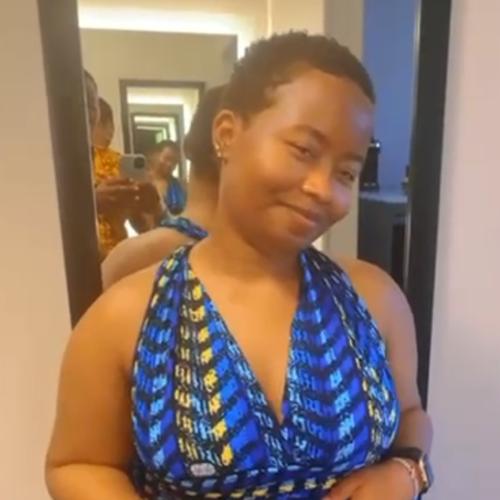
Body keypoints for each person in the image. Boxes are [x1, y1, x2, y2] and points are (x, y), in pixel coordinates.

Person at [47, 34, 433, 499]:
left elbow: (411, 414)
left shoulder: (375, 299)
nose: (323, 188)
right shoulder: (126, 316)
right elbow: (78, 463)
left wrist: (407, 471)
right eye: (304, 150)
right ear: (227, 134)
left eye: (346, 172)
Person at [101, 86, 223, 289]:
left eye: (173, 161)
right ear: (224, 135)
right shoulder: (136, 258)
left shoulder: (130, 259)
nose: (168, 164)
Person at [84, 72, 161, 258]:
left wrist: (152, 208)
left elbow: (144, 228)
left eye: (92, 105)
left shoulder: (113, 162)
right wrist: (91, 202)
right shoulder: (45, 163)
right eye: (82, 104)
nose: (88, 113)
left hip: (113, 260)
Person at [146, 139, 187, 217]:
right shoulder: (142, 181)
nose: (170, 164)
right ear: (155, 155)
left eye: (175, 162)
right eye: (167, 158)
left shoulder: (180, 186)